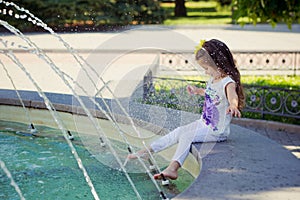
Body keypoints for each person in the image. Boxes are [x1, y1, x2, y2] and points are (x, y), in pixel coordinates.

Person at [128, 39, 245, 180]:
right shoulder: (213, 80)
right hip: (204, 123)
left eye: (207, 68)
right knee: (179, 131)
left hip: (216, 131)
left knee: (186, 136)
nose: (206, 72)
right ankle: (148, 151)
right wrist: (197, 91)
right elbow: (212, 93)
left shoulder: (228, 82)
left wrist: (233, 105)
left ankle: (173, 168)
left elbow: (232, 96)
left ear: (218, 63)